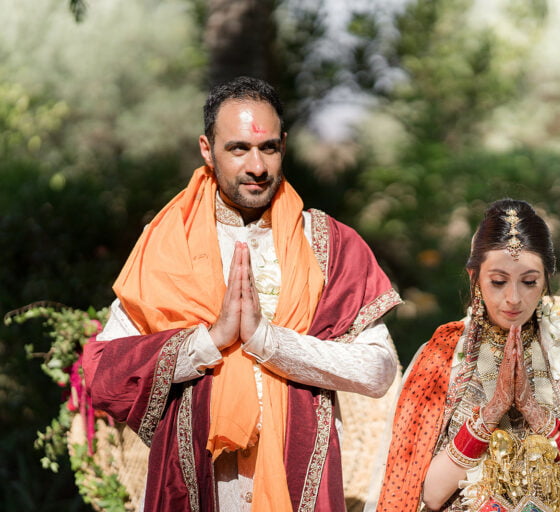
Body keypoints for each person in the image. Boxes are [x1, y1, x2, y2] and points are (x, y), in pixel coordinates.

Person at [82, 76, 402, 512]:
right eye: (238, 148)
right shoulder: (166, 244)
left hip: (298, 485)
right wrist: (208, 342)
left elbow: (378, 370)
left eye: (267, 147)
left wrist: (267, 342)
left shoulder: (328, 245)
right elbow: (103, 374)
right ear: (206, 149)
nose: (256, 166)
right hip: (195, 484)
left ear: (283, 146)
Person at [369, 199, 560, 512]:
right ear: (474, 277)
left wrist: (537, 414)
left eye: (529, 282)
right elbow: (428, 495)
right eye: (498, 281)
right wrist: (491, 413)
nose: (513, 298)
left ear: (545, 281)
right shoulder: (440, 360)